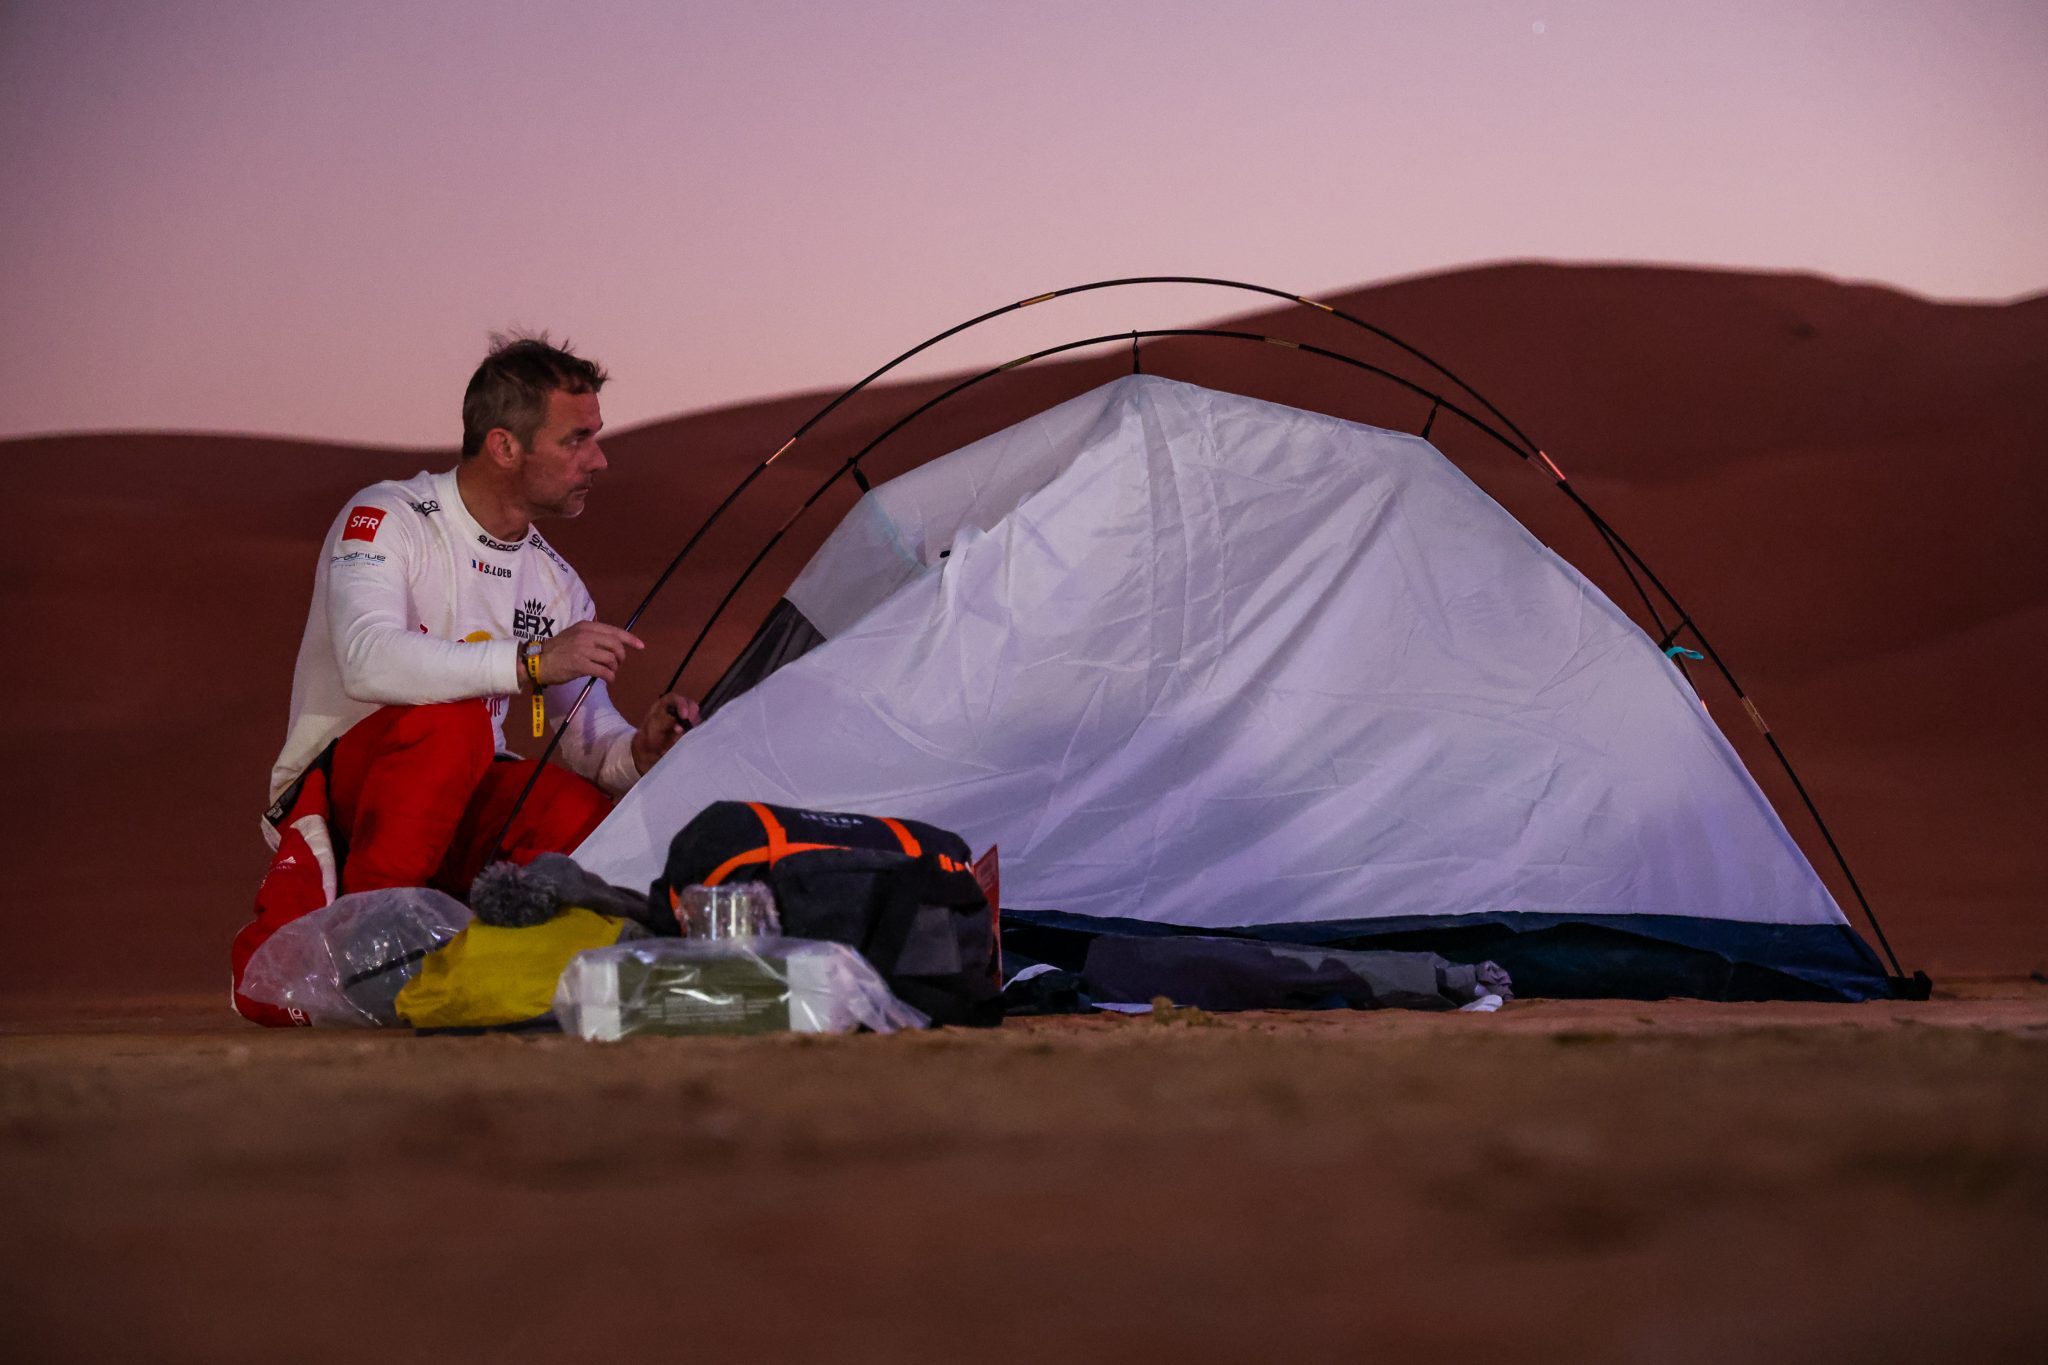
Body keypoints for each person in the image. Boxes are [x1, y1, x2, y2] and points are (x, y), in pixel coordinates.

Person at [262, 334, 698, 901]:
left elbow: (586, 741)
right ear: (505, 447)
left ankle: (531, 952)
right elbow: (365, 659)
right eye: (577, 439)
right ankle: (375, 930)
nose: (599, 459)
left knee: (577, 812)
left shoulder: (557, 584)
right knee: (454, 722)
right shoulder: (388, 517)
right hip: (341, 796)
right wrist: (531, 662)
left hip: (459, 797)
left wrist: (640, 752)